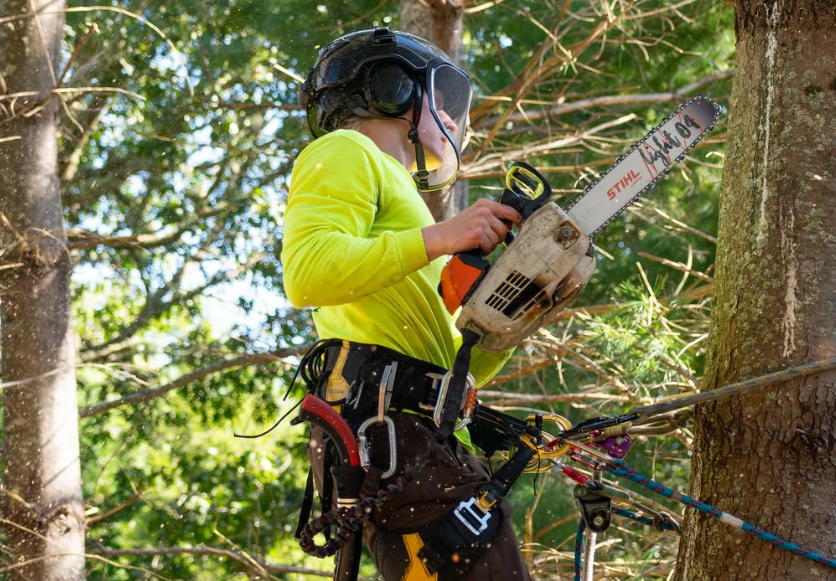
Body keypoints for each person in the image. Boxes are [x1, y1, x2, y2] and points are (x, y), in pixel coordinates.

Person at [282, 27, 531, 580]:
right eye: (434, 96)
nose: (447, 112)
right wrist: (445, 238)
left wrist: (517, 314)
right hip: (389, 431)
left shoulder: (410, 214)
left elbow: (458, 362)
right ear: (390, 87)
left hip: (424, 434)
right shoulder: (345, 150)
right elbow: (307, 271)